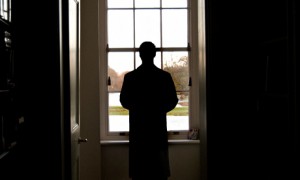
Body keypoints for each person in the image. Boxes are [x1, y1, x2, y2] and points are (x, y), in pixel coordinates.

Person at [120, 41, 179, 180]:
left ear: (140, 54)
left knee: (139, 172)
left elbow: (124, 101)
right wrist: (158, 110)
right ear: (154, 54)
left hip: (138, 129)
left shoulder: (130, 77)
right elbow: (173, 100)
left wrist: (139, 109)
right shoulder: (164, 77)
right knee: (159, 171)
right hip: (157, 128)